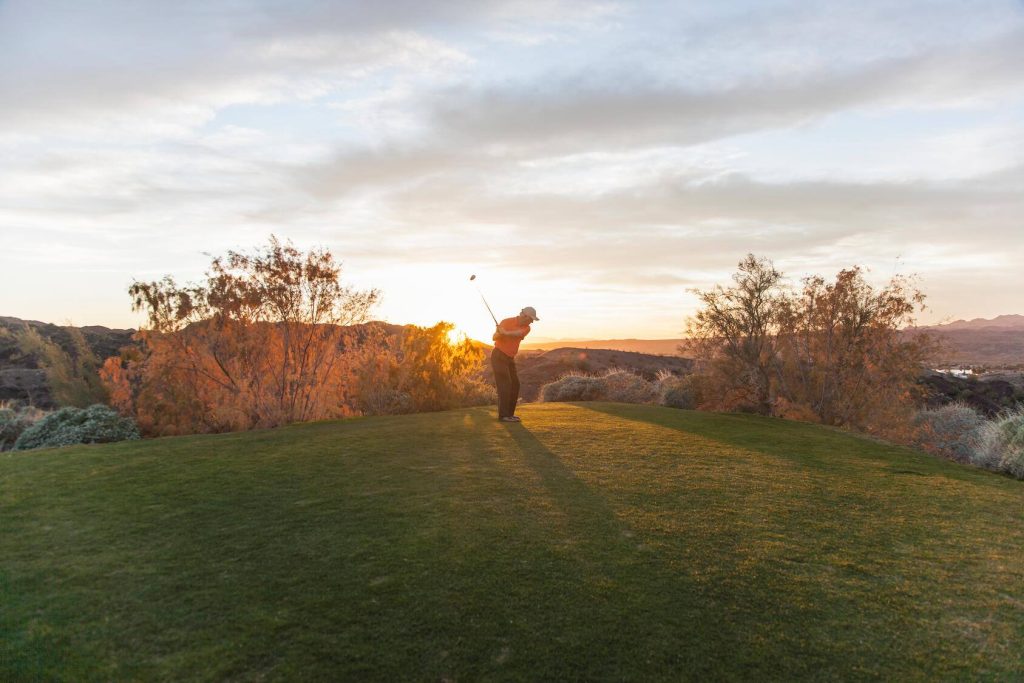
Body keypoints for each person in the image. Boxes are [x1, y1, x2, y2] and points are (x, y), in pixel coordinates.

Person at [491, 306, 539, 422]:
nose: (531, 322)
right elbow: (494, 337)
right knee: (505, 384)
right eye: (530, 319)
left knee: (515, 385)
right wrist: (500, 333)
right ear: (524, 315)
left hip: (510, 358)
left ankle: (509, 414)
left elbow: (517, 334)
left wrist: (505, 333)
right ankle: (503, 416)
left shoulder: (527, 328)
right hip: (498, 356)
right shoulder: (506, 322)